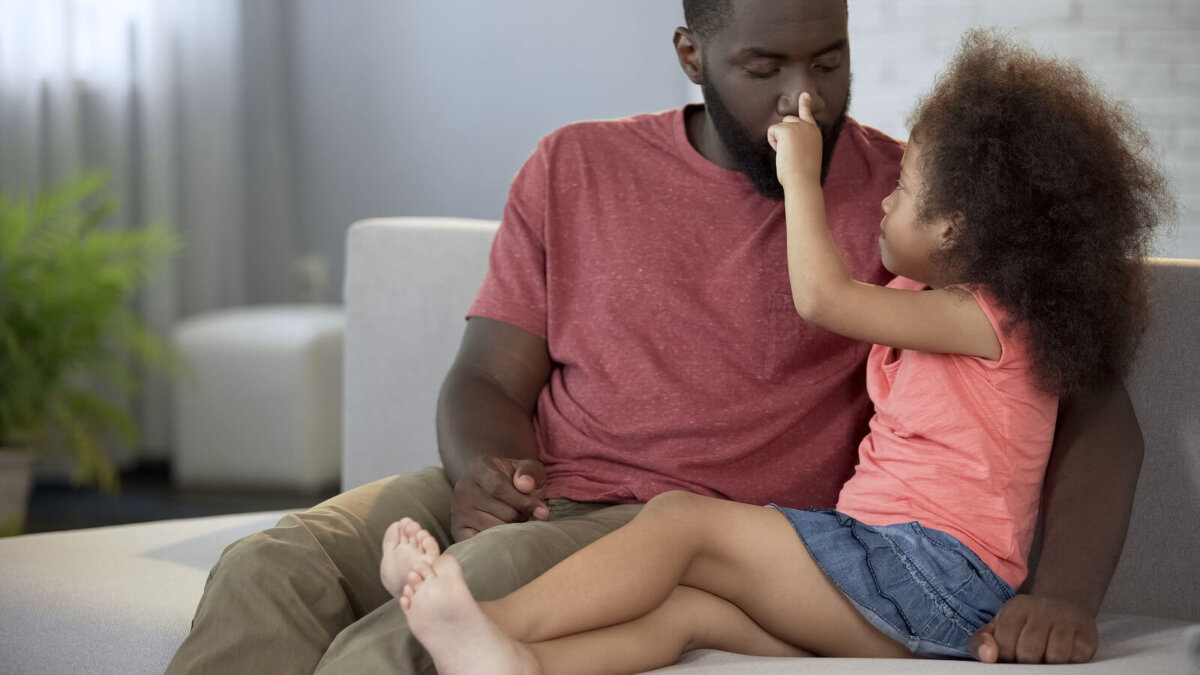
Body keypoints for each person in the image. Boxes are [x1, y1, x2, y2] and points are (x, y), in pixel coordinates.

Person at [167, 2, 1149, 672]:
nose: (799, 99)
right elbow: (485, 373)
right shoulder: (575, 165)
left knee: (426, 623)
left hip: (682, 525)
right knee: (269, 566)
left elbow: (1089, 400)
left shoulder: (934, 212)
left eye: (829, 60)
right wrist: (484, 474)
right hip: (544, 484)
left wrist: (1064, 593)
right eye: (763, 68)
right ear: (693, 54)